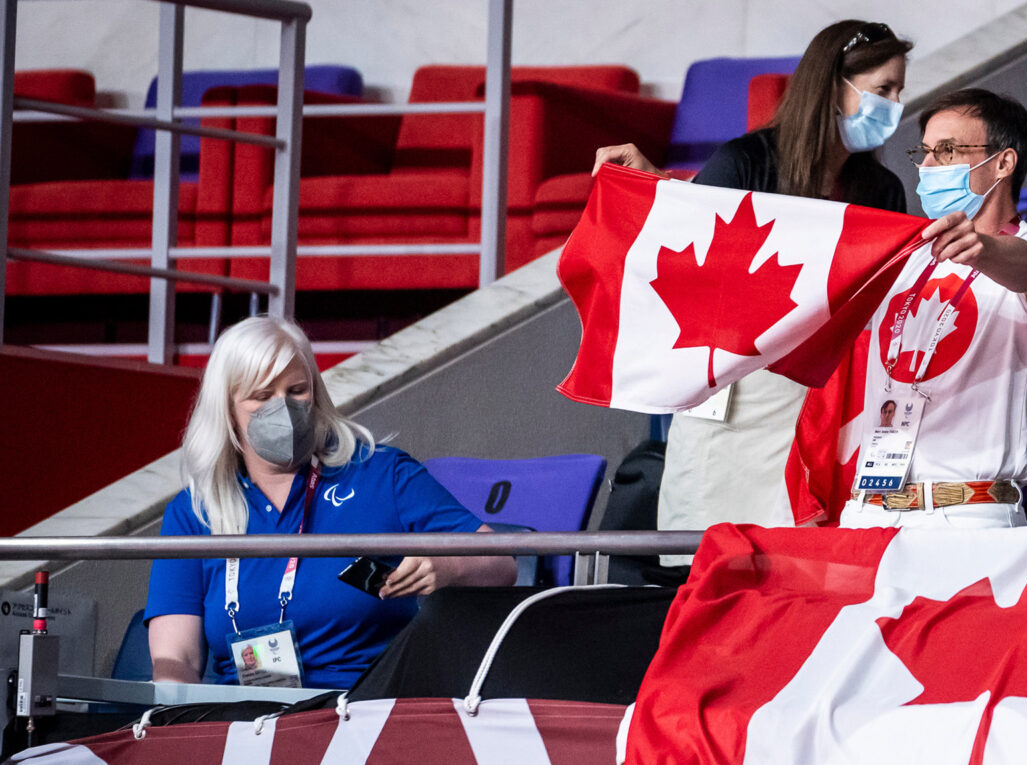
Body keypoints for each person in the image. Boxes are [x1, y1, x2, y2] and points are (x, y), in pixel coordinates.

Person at [592, 21, 913, 568]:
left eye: (898, 91)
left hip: (820, 404)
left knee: (799, 570)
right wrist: (656, 186)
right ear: (834, 85)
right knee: (714, 564)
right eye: (883, 89)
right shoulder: (745, 161)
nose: (894, 104)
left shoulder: (882, 190)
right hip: (735, 402)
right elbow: (689, 254)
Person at [145, 317, 516, 688]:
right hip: (244, 720)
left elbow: (500, 562)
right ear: (226, 409)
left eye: (297, 390)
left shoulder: (382, 473)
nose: (283, 408)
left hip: (364, 709)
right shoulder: (194, 510)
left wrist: (446, 568)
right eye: (261, 396)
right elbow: (177, 659)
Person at [835, 88, 1027, 528]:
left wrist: (982, 248)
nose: (927, 167)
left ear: (1004, 163)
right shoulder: (901, 258)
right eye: (925, 152)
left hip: (970, 513)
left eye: (947, 151)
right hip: (869, 508)